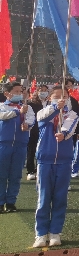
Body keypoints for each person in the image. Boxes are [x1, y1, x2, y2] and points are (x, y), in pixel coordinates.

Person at [32, 87, 79, 248]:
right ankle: (40, 233)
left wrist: (63, 134)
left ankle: (55, 232)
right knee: (44, 198)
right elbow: (42, 117)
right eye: (57, 96)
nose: (61, 99)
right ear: (50, 98)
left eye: (64, 96)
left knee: (60, 198)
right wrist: (54, 107)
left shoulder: (72, 114)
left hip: (64, 162)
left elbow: (69, 128)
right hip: (45, 161)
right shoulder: (44, 112)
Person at [0, 82, 35, 212]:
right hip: (3, 144)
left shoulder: (27, 107)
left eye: (21, 91)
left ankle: (11, 202)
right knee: (1, 174)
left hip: (20, 145)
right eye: (16, 91)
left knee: (15, 175)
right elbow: (2, 116)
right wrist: (17, 112)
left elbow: (32, 119)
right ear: (6, 93)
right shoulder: (2, 106)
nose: (19, 94)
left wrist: (27, 125)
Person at [26, 85, 48, 181]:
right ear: (37, 91)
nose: (43, 92)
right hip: (34, 130)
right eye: (41, 90)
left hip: (47, 131)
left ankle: (41, 170)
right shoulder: (31, 104)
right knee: (31, 150)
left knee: (44, 151)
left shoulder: (50, 103)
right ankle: (30, 171)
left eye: (45, 90)